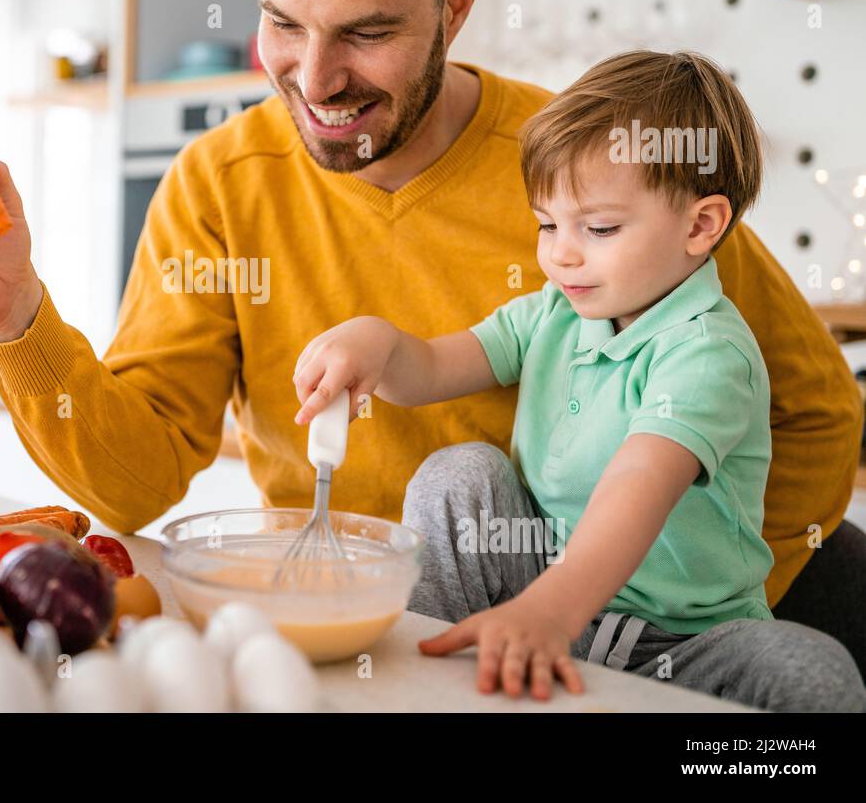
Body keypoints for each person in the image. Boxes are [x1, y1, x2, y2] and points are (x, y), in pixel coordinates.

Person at [0, 0, 865, 676]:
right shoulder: (217, 186)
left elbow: (817, 409)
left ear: (458, 2)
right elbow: (135, 487)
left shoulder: (596, 181)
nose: (314, 80)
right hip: (356, 645)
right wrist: (13, 315)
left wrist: (679, 612)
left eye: (367, 32)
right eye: (282, 25)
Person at [291, 50, 864, 710]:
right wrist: (379, 344)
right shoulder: (554, 312)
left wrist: (552, 610)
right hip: (541, 598)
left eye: (597, 227)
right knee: (462, 472)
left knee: (813, 673)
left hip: (680, 645)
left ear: (700, 226)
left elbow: (638, 483)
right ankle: (423, 681)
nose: (561, 251)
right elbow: (434, 367)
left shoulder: (709, 353)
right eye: (546, 224)